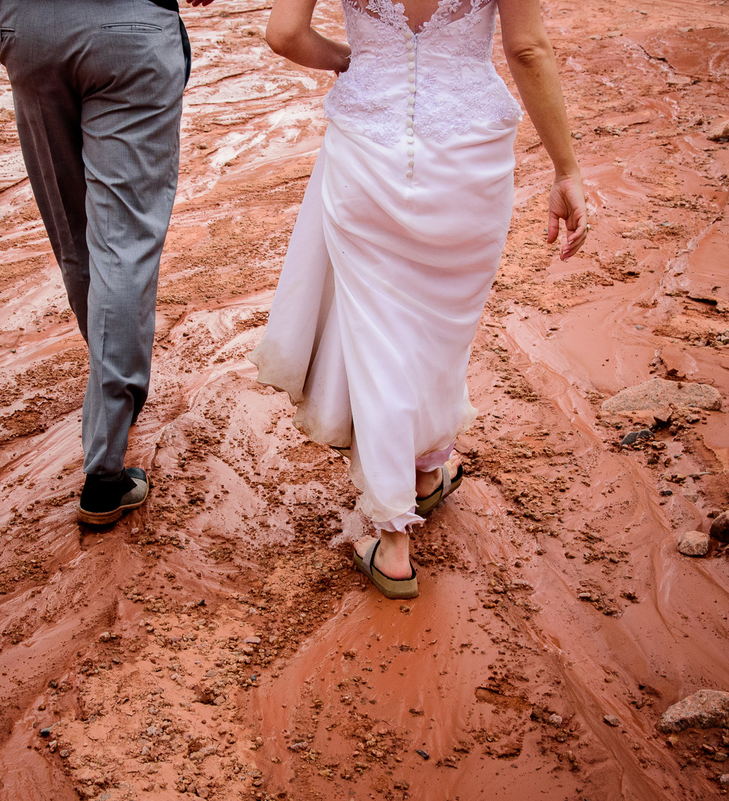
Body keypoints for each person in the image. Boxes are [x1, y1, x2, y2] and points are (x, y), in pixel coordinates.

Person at [250, 0, 588, 598]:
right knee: (440, 329)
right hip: (469, 157)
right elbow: (527, 48)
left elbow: (284, 34)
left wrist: (349, 60)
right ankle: (423, 478)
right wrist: (566, 169)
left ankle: (396, 532)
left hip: (367, 148)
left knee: (380, 337)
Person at [0, 0, 213, 525]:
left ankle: (111, 392)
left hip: (31, 32)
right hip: (131, 30)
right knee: (125, 244)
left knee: (75, 238)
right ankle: (106, 466)